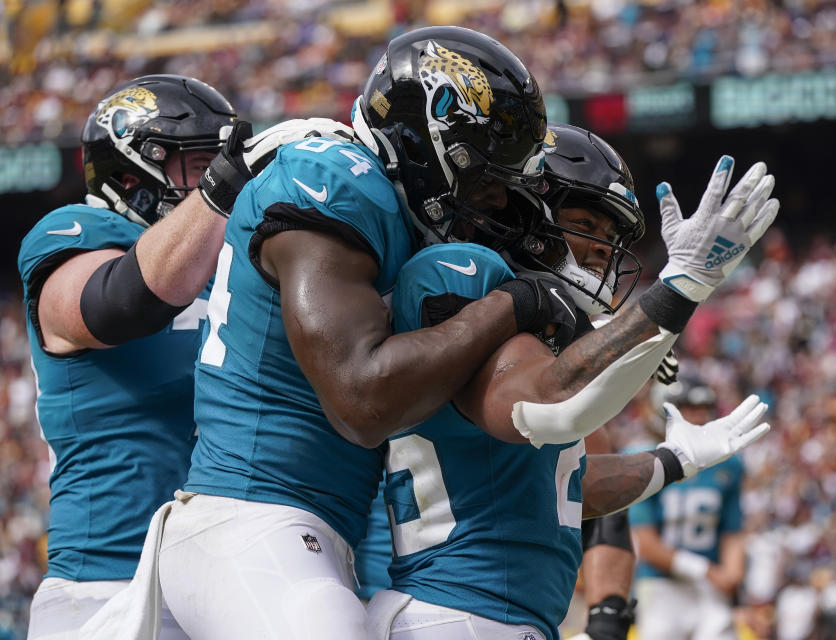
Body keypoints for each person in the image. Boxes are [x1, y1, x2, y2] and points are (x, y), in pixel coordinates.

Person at [150, 27, 579, 640]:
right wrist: (516, 303)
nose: (492, 197)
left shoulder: (387, 215)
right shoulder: (338, 179)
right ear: (425, 138)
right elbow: (361, 398)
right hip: (251, 520)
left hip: (303, 538)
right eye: (484, 175)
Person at [364, 124, 780, 639]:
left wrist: (675, 460)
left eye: (611, 239)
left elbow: (564, 489)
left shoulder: (534, 329)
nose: (603, 250)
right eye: (585, 224)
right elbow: (550, 406)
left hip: (484, 614)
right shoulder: (465, 277)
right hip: (457, 610)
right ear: (522, 213)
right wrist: (679, 290)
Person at [16, 74, 316, 639]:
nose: (216, 179)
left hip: (224, 582)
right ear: (131, 176)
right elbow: (114, 307)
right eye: (199, 164)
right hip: (108, 585)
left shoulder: (224, 270)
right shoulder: (74, 234)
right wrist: (220, 191)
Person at [630, 376, 747, 640]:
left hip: (710, 588)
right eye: (689, 408)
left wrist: (732, 577)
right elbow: (646, 544)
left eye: (704, 408)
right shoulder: (642, 458)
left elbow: (733, 531)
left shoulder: (728, 465)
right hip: (661, 585)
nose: (699, 416)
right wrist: (706, 571)